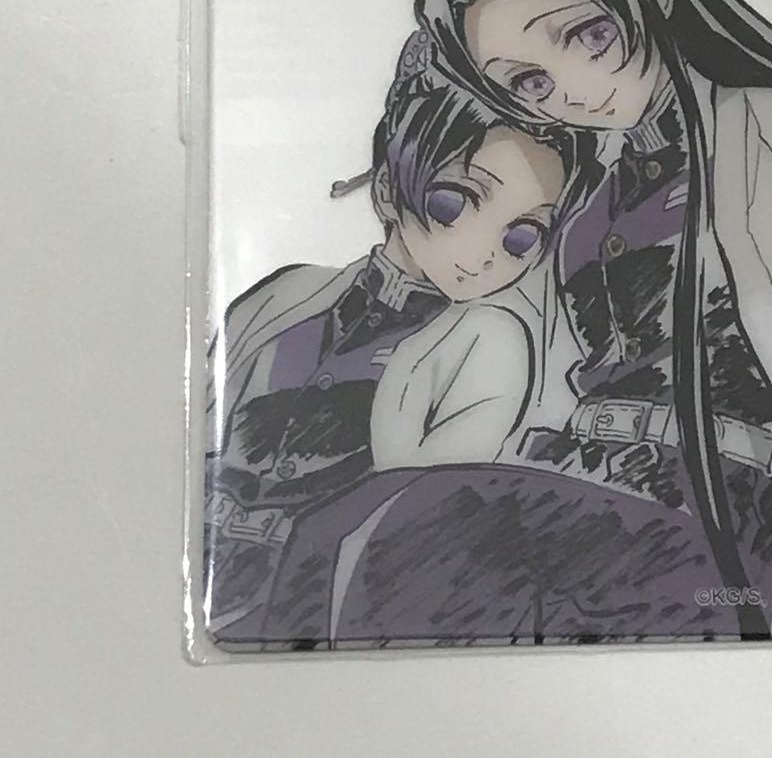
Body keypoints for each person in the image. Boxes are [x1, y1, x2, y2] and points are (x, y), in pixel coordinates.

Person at [415, 0, 772, 638]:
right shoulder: (582, 192)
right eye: (529, 83)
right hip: (583, 484)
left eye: (588, 34)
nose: (572, 90)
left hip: (723, 508)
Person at [203, 35, 592, 641]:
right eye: (455, 202)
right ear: (389, 188)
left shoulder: (484, 344)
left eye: (521, 236)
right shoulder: (283, 295)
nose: (484, 251)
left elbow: (412, 522)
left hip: (316, 616)